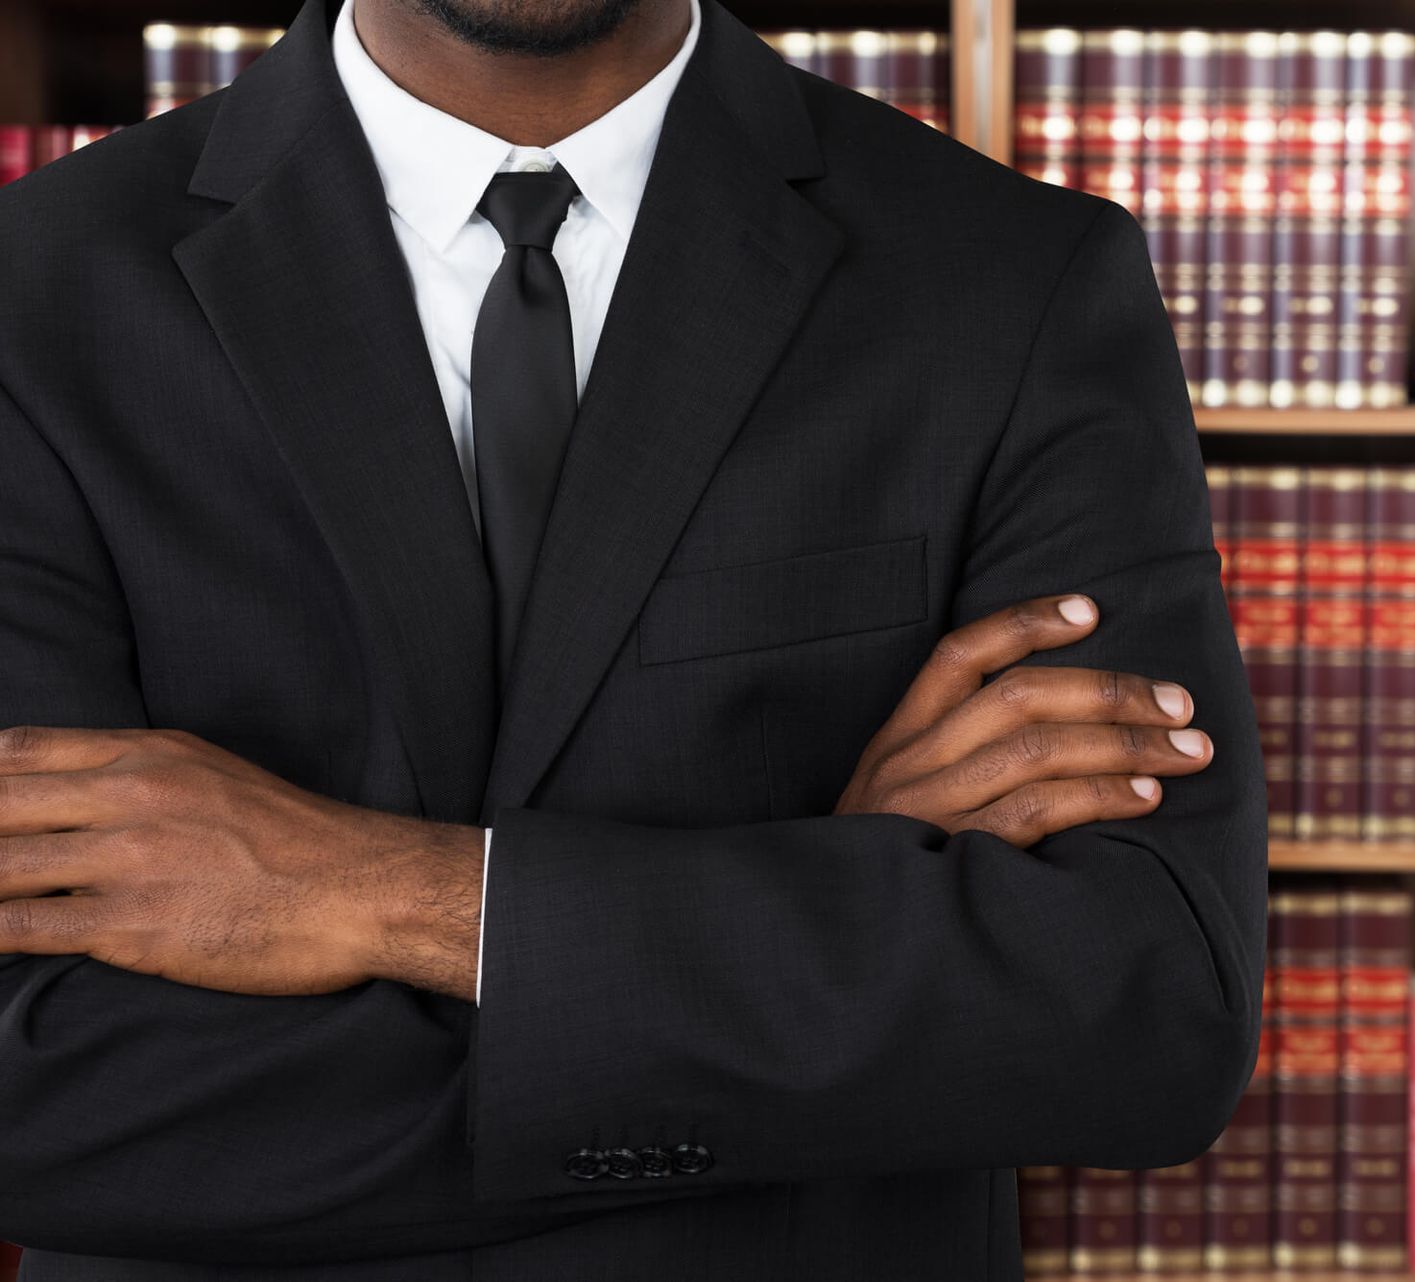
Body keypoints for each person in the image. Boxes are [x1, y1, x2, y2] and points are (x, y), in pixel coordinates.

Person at [0, 0, 1268, 1276]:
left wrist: (385, 892)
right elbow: (37, 1093)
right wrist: (833, 916)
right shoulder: (29, 295)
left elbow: (1139, 1006)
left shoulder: (1015, 276)